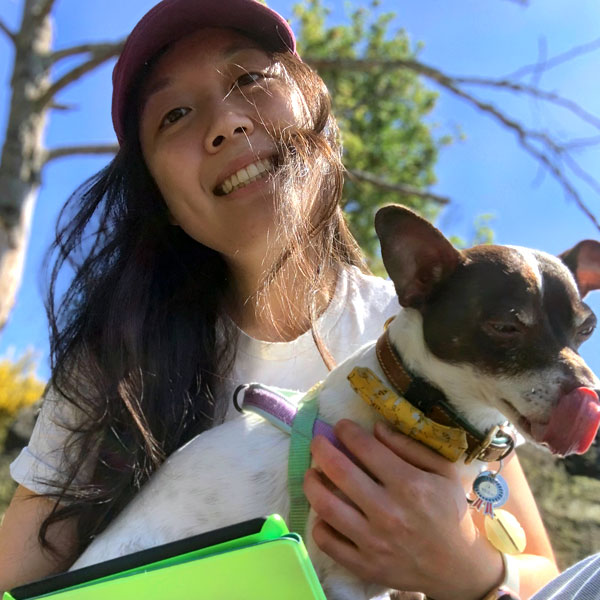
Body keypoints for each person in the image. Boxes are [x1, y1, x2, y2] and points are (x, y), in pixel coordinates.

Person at [0, 1, 559, 598]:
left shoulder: (432, 332)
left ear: (315, 108)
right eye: (175, 115)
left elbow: (544, 573)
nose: (226, 123)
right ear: (159, 199)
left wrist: (470, 572)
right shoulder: (111, 364)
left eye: (249, 78)